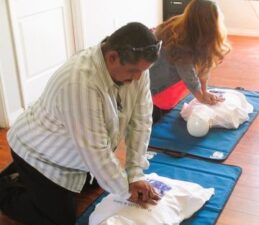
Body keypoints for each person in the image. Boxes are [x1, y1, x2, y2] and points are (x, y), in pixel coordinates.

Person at [0, 22, 161, 225]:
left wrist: (135, 173)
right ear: (113, 57)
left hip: (71, 149)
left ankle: (23, 177)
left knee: (102, 182)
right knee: (60, 219)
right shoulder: (79, 83)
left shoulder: (138, 69)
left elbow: (141, 121)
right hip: (38, 153)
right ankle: (6, 188)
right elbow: (96, 151)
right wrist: (127, 189)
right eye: (133, 71)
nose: (138, 77)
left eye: (143, 71)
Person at [150, 0, 231, 123]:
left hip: (164, 78)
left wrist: (204, 90)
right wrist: (201, 97)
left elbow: (206, 63)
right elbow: (187, 72)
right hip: (155, 82)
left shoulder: (194, 30)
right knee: (155, 120)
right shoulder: (180, 37)